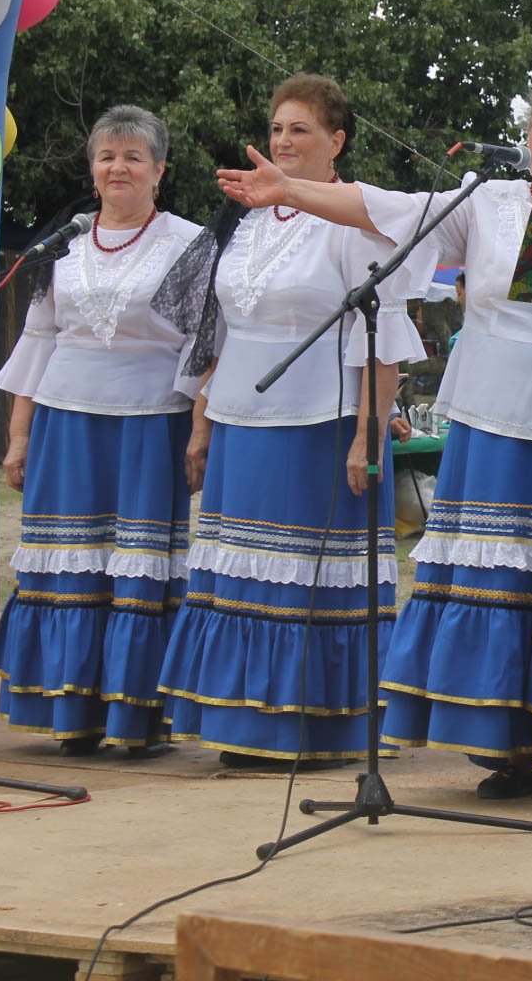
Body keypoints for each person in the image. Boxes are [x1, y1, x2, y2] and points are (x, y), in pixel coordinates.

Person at [218, 79, 532, 801]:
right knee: (502, 579)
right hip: (494, 419)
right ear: (528, 140)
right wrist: (293, 189)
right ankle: (508, 747)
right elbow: (386, 210)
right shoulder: (485, 201)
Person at [155, 75, 423, 769]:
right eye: (276, 129)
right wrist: (203, 421)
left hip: (318, 423)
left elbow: (384, 339)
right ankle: (242, 719)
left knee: (303, 573)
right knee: (239, 570)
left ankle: (312, 727)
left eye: (299, 130)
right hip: (243, 418)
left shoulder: (353, 222)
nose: (282, 142)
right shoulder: (243, 223)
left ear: (336, 142)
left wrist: (368, 432)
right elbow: (220, 334)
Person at [0, 106, 204, 755]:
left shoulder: (190, 245)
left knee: (138, 567)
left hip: (150, 425)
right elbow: (37, 343)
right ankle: (71, 709)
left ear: (159, 172)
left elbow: (203, 346)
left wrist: (199, 434)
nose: (119, 167)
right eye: (108, 156)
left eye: (134, 157)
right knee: (70, 562)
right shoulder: (63, 245)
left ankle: (135, 717)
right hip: (66, 424)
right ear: (92, 169)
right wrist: (19, 437)